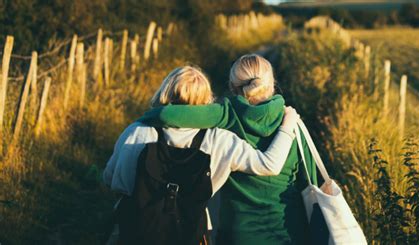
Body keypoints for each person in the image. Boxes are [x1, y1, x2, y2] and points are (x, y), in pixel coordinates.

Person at [139, 54, 325, 244]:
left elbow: (166, 114)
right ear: (272, 84)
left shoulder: (226, 114)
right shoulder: (292, 123)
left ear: (231, 87)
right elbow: (310, 184)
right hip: (288, 235)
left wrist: (142, 120)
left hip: (238, 236)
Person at [103, 66, 301, 244]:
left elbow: (112, 179)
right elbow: (268, 164)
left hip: (137, 231)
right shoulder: (219, 139)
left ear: (165, 91)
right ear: (207, 100)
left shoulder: (137, 132)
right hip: (190, 232)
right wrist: (288, 126)